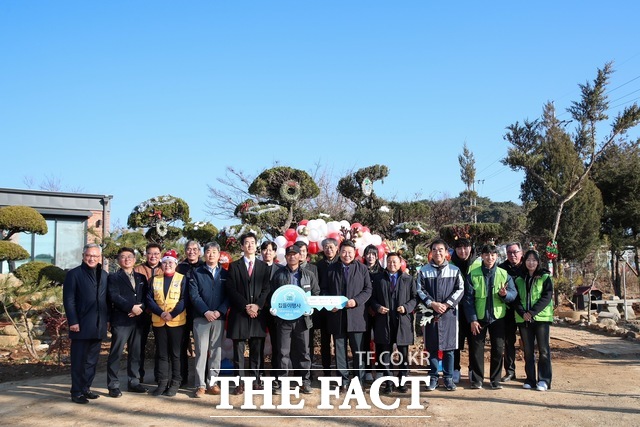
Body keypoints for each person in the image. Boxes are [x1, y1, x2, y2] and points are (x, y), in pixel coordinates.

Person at [463, 244, 517, 390]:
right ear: (482, 256)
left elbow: (513, 294)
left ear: (497, 257)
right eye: (487, 254)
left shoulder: (504, 274)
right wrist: (472, 319)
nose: (490, 257)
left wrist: (505, 295)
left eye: (493, 255)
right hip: (479, 318)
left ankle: (495, 380)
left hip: (498, 317)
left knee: (498, 349)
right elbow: (467, 299)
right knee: (476, 349)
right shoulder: (473, 275)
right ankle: (477, 379)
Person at [225, 232, 271, 395]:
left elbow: (266, 289)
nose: (250, 245)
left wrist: (257, 306)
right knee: (238, 352)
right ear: (242, 246)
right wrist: (246, 306)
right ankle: (239, 383)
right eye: (247, 242)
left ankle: (257, 381)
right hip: (240, 314)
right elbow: (230, 289)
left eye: (252, 242)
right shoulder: (234, 266)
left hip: (258, 315)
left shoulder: (263, 267)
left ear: (256, 245)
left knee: (256, 351)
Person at [63, 243, 109, 404]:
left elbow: (106, 300)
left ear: (100, 258)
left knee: (92, 360)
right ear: (83, 256)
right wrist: (73, 321)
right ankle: (76, 391)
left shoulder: (103, 274)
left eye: (95, 256)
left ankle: (86, 388)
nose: (92, 258)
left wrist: (107, 321)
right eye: (89, 255)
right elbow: (69, 300)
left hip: (98, 325)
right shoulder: (74, 274)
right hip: (80, 325)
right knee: (78, 361)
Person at [271, 245, 320, 394]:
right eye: (289, 254)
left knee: (304, 352)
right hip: (283, 319)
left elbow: (316, 292)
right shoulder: (278, 275)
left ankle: (305, 382)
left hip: (303, 320)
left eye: (295, 254)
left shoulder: (308, 275)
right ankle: (281, 382)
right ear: (285, 257)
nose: (292, 257)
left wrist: (312, 306)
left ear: (300, 256)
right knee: (282, 352)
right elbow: (272, 294)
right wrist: (273, 308)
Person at [417, 239, 464, 391]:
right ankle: (433, 377)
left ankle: (448, 378)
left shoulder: (454, 270)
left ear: (446, 252)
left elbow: (460, 289)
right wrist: (432, 304)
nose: (438, 252)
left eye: (441, 249)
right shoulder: (423, 271)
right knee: (432, 347)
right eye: (435, 249)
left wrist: (447, 304)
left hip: (449, 314)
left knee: (449, 348)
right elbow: (419, 290)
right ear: (431, 252)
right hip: (431, 313)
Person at [325, 240, 372, 391]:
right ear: (339, 252)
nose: (347, 255)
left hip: (356, 316)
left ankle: (359, 379)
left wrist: (356, 301)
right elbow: (324, 289)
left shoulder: (362, 268)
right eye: (344, 252)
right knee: (339, 350)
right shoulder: (331, 269)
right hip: (337, 316)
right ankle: (343, 380)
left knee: (358, 350)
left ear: (355, 252)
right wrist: (329, 304)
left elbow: (367, 289)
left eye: (350, 252)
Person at [370, 252, 417, 394]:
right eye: (389, 261)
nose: (392, 264)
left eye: (395, 262)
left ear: (400, 263)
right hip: (384, 320)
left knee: (403, 352)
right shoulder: (378, 279)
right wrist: (378, 307)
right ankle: (389, 382)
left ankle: (402, 380)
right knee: (385, 352)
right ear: (386, 263)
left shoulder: (408, 279)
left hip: (402, 320)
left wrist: (406, 308)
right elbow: (371, 298)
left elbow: (415, 298)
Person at [106, 247, 149, 398]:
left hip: (138, 321)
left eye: (129, 256)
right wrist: (131, 307)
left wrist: (141, 307)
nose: (127, 259)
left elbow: (146, 297)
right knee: (116, 353)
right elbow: (114, 296)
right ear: (118, 261)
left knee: (136, 353)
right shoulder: (113, 277)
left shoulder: (141, 278)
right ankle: (113, 385)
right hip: (121, 320)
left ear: (134, 259)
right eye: (123, 257)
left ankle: (134, 381)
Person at [189, 242, 229, 398]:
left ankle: (212, 382)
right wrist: (205, 311)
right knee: (200, 352)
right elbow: (194, 295)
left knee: (216, 352)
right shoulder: (196, 272)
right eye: (208, 252)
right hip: (201, 318)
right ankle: (200, 385)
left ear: (219, 254)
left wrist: (219, 311)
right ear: (204, 254)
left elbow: (228, 296)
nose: (211, 254)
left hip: (219, 318)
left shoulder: (225, 274)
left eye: (214, 251)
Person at [147, 249, 187, 397]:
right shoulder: (154, 279)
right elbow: (149, 299)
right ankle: (162, 383)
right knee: (162, 354)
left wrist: (172, 314)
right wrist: (161, 313)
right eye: (165, 263)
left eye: (171, 262)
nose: (168, 265)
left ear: (175, 264)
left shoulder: (182, 279)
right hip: (159, 322)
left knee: (176, 354)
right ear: (161, 265)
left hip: (176, 322)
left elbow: (184, 299)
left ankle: (175, 382)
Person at [513, 249, 553, 391]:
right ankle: (530, 379)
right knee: (528, 351)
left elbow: (546, 297)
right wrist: (523, 313)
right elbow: (515, 299)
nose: (531, 263)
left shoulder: (545, 277)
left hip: (541, 318)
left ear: (538, 262)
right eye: (528, 260)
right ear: (524, 262)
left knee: (543, 350)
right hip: (524, 319)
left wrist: (532, 312)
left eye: (534, 260)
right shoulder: (519, 278)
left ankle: (544, 380)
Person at [449, 238, 480, 384]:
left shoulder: (478, 263)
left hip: (475, 310)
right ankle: (455, 369)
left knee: (475, 342)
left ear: (471, 248)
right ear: (455, 250)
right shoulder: (450, 265)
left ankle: (473, 370)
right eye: (459, 248)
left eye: (466, 247)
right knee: (456, 342)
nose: (463, 251)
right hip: (456, 310)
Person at [134, 243, 163, 383]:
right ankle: (138, 376)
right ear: (145, 254)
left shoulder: (165, 268)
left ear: (160, 255)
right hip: (142, 313)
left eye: (156, 253)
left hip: (161, 314)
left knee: (161, 345)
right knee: (139, 345)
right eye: (150, 253)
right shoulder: (138, 269)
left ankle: (160, 375)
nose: (153, 256)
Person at [176, 240, 204, 387]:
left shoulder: (204, 266)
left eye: (195, 249)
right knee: (182, 346)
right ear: (185, 251)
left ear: (199, 252)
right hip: (181, 311)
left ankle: (202, 379)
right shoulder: (179, 267)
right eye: (189, 249)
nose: (191, 251)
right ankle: (182, 377)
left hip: (200, 312)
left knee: (202, 347)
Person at [312, 237, 339, 377]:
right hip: (323, 309)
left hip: (339, 309)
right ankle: (326, 371)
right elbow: (317, 286)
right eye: (326, 247)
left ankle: (341, 372)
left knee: (339, 342)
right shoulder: (318, 265)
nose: (329, 249)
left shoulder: (341, 263)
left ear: (336, 248)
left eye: (331, 247)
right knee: (325, 341)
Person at [498, 242, 523, 383]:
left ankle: (530, 373)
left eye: (515, 252)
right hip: (508, 311)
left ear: (521, 252)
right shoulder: (501, 269)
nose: (512, 255)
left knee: (528, 342)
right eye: (509, 253)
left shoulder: (528, 266)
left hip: (525, 311)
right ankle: (510, 371)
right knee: (508, 342)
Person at [260, 240, 283, 380]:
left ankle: (276, 374)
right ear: (261, 252)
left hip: (276, 313)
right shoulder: (254, 268)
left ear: (275, 253)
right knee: (258, 344)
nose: (267, 252)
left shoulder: (281, 269)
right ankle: (258, 374)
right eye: (265, 249)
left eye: (270, 250)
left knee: (277, 344)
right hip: (259, 311)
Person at [362, 244, 382, 383]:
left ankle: (380, 370)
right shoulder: (360, 270)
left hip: (379, 311)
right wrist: (368, 306)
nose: (370, 257)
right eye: (368, 254)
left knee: (381, 341)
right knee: (365, 342)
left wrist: (376, 307)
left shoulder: (382, 271)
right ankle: (367, 370)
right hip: (363, 311)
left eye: (373, 254)